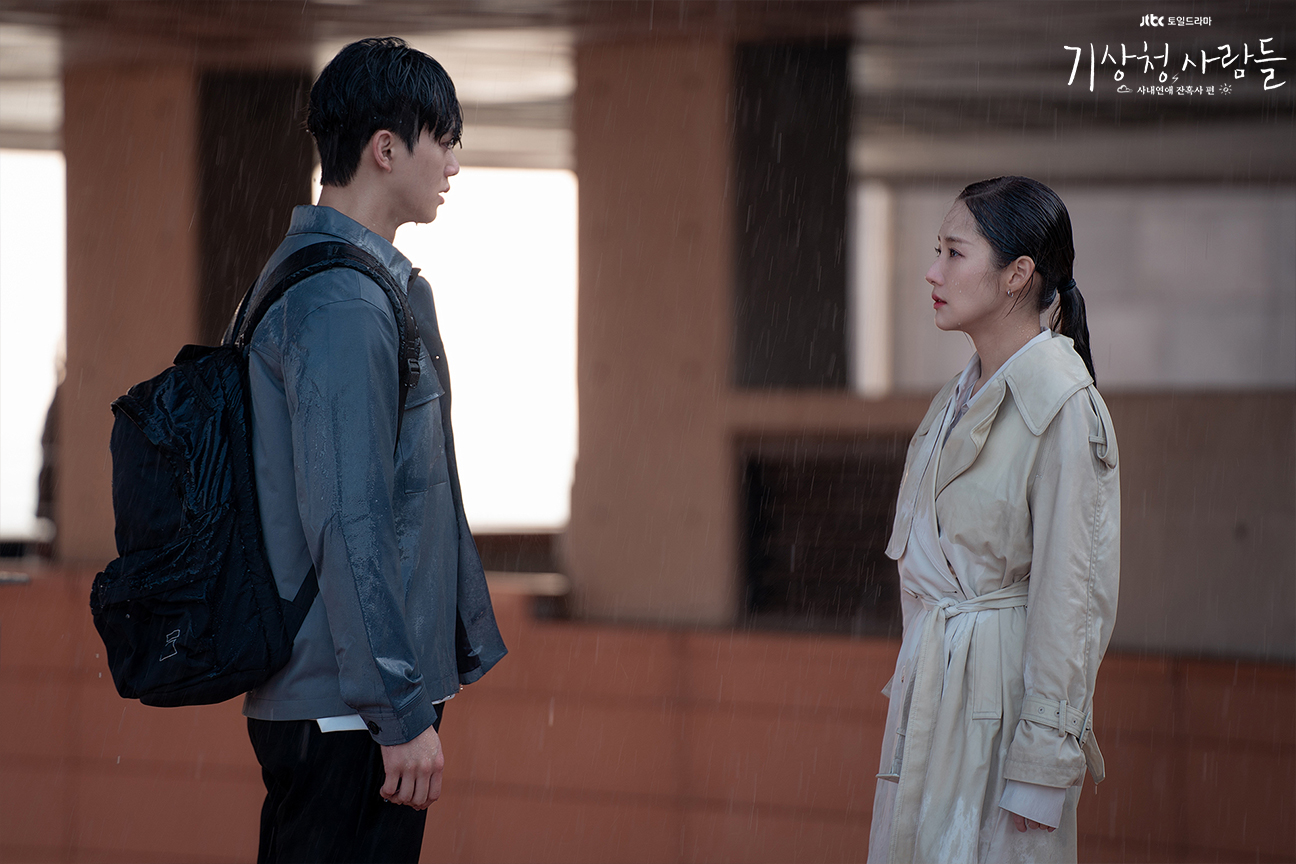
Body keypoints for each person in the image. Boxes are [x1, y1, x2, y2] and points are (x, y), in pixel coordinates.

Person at [237, 37, 507, 864]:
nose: (453, 163)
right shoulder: (343, 302)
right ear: (386, 149)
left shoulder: (331, 281)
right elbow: (350, 517)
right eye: (442, 139)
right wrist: (398, 711)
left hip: (339, 698)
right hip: (347, 709)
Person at [867, 176, 1119, 863]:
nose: (933, 272)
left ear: (1017, 274)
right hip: (932, 698)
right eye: (937, 251)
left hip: (999, 713)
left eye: (954, 253)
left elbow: (1075, 595)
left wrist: (1044, 764)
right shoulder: (953, 398)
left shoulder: (1063, 404)